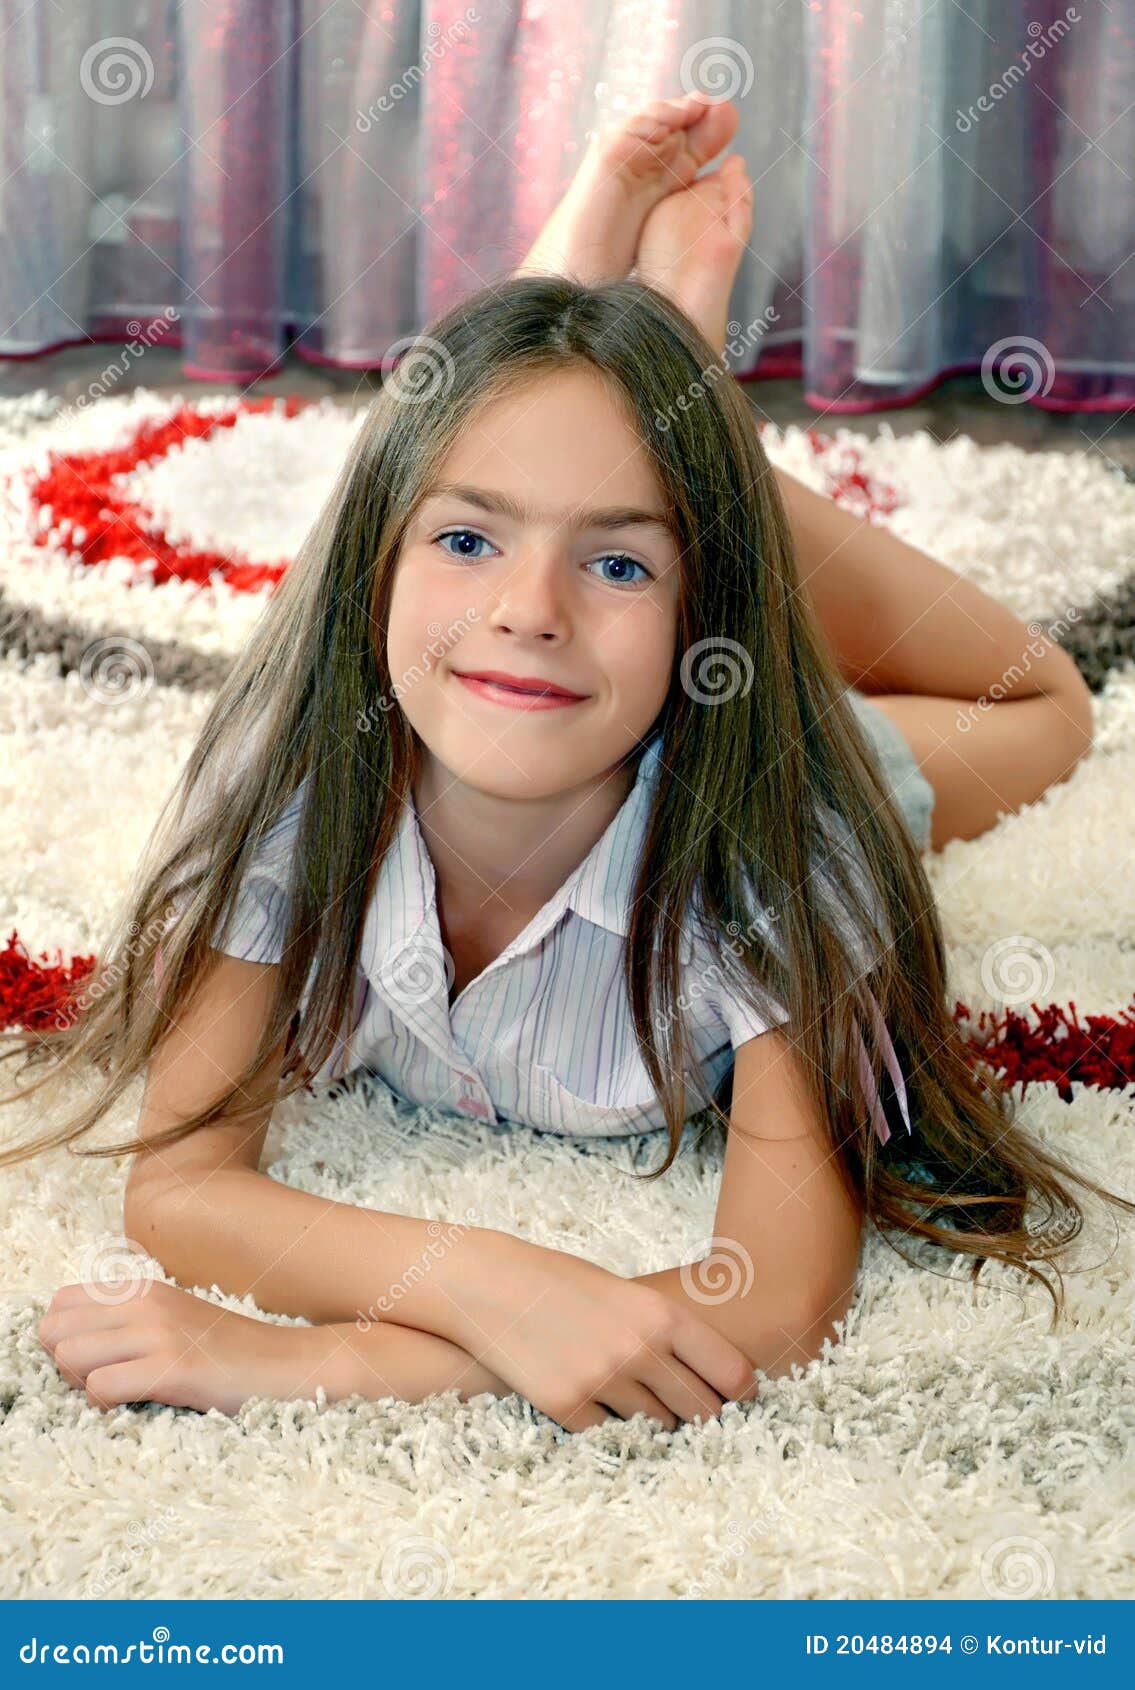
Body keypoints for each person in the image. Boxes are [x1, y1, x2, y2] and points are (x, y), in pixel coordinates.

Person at [7, 95, 1123, 1436]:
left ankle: (680, 418)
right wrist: (481, 1274)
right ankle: (621, 399)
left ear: (697, 615)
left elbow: (772, 1294)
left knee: (1049, 703)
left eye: (619, 559)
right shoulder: (295, 776)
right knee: (492, 481)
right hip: (489, 632)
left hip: (775, 740)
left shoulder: (784, 855)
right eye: (468, 543)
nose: (531, 607)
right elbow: (178, 1183)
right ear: (386, 567)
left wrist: (323, 1358)